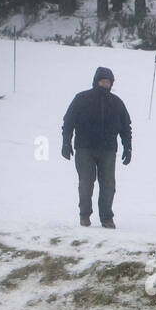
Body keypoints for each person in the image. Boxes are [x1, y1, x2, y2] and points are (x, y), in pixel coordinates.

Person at [61, 66, 132, 229]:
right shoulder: (81, 98)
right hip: (84, 148)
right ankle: (84, 215)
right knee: (86, 182)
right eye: (102, 81)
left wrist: (127, 148)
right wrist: (66, 143)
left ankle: (107, 217)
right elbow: (69, 122)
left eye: (108, 81)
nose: (105, 84)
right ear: (96, 81)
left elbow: (126, 127)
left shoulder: (117, 102)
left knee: (108, 184)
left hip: (108, 150)